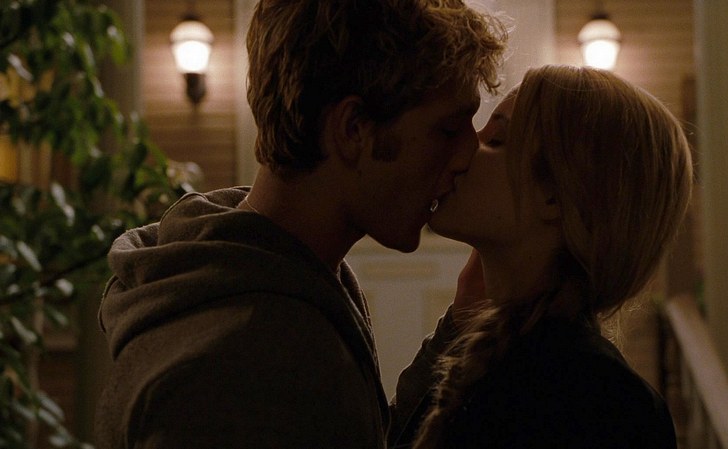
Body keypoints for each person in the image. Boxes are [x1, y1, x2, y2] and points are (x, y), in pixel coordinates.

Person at [93, 1, 506, 447]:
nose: (468, 154)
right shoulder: (243, 369)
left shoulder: (285, 276)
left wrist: (460, 324)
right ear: (353, 129)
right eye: (448, 130)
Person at [392, 64, 694, 448]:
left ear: (554, 195)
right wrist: (457, 325)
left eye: (496, 140)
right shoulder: (502, 364)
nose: (463, 146)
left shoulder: (598, 404)